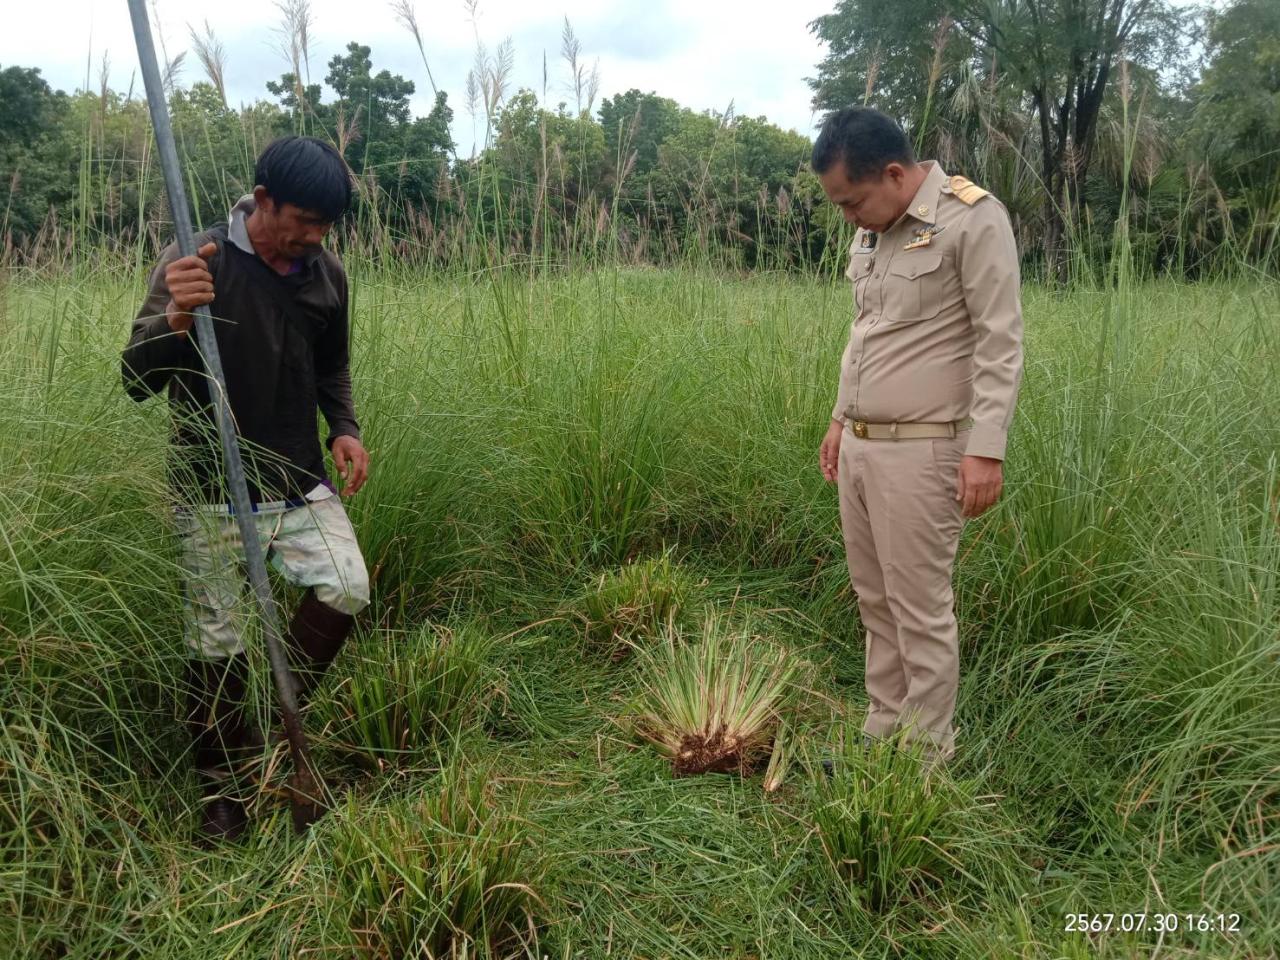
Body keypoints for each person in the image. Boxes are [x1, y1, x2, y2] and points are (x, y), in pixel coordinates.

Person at [121, 136, 371, 840]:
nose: (314, 238)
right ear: (262, 202)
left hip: (297, 482)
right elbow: (136, 381)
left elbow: (334, 366)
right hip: (209, 489)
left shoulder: (326, 274)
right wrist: (175, 320)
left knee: (347, 585)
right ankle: (224, 797)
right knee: (217, 641)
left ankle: (266, 721)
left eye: (326, 226)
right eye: (303, 220)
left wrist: (343, 428)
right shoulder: (193, 261)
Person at [813, 107, 1023, 764]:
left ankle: (926, 760)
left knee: (919, 608)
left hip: (924, 450)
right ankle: (882, 734)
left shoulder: (971, 218)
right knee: (874, 600)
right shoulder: (873, 235)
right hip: (864, 446)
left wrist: (986, 449)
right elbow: (866, 332)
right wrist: (840, 420)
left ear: (896, 174)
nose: (848, 217)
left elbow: (1000, 340)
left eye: (852, 201)